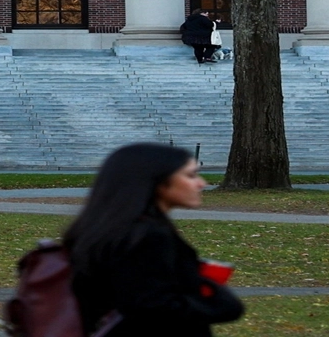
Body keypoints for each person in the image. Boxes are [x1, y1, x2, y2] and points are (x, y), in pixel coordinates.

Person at [65, 143, 244, 336]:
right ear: (158, 181)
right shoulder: (146, 237)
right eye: (191, 175)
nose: (202, 184)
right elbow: (152, 307)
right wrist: (219, 305)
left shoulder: (102, 229)